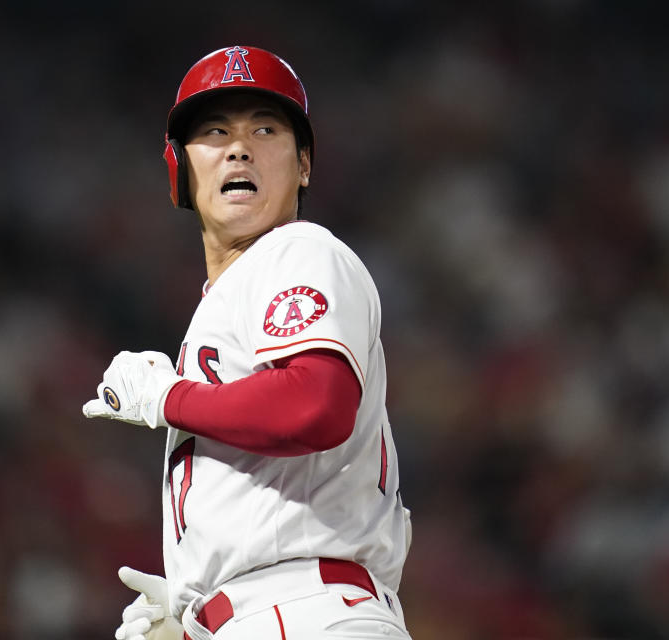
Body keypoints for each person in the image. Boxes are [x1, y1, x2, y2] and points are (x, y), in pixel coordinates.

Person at [83, 45, 412, 640]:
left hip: (309, 610)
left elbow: (315, 404)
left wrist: (167, 398)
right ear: (180, 167)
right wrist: (194, 610)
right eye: (214, 131)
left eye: (265, 128)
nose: (239, 147)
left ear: (304, 165)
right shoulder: (229, 300)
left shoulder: (301, 250)